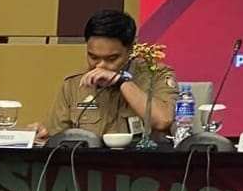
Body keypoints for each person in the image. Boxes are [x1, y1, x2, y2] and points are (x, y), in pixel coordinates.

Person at [29, 10, 179, 143]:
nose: (100, 66)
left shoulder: (156, 75)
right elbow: (56, 138)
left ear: (131, 49)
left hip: (141, 163)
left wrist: (122, 82)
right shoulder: (74, 84)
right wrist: (42, 136)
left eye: (111, 59)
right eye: (93, 57)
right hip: (87, 164)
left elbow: (162, 120)